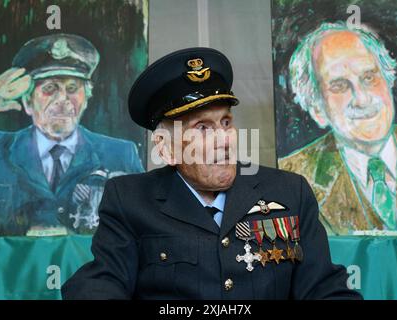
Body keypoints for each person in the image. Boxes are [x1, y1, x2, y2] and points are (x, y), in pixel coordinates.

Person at [61, 47, 362, 299]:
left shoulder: (290, 192)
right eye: (203, 128)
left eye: (226, 123)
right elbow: (101, 284)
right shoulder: (129, 200)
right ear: (166, 148)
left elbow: (325, 289)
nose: (224, 140)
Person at [0, 33, 144, 237]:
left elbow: (143, 228)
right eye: (49, 88)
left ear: (86, 98)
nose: (62, 99)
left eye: (73, 88)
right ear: (28, 102)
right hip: (12, 268)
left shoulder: (120, 154)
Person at [279, 22, 397, 235]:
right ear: (316, 109)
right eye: (339, 85)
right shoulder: (292, 179)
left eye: (369, 77)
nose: (362, 98)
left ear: (388, 80)